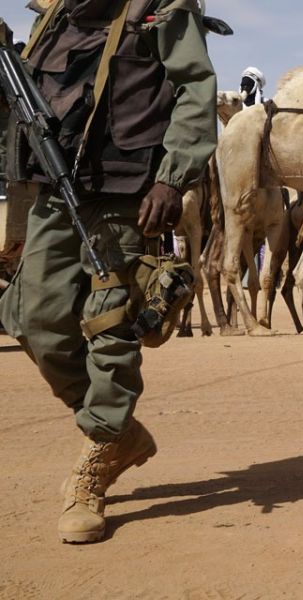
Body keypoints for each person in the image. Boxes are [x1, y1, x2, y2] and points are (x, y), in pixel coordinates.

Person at [0, 0, 218, 544]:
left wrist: (172, 178)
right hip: (56, 185)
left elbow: (196, 88)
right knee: (33, 319)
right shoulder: (56, 11)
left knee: (110, 325)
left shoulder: (161, 7)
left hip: (128, 192)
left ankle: (97, 456)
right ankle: (119, 432)